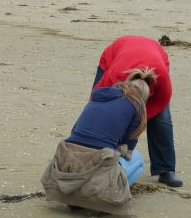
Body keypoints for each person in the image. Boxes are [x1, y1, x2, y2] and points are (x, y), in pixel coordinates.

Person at [41, 69, 155, 215]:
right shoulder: (137, 106)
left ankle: (76, 199)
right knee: (138, 161)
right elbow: (127, 149)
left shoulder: (97, 97)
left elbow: (75, 129)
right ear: (144, 96)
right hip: (101, 158)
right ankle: (103, 198)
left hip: (69, 154)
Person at [92, 35, 183, 187]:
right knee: (102, 112)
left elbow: (158, 105)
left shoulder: (162, 82)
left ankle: (166, 170)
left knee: (162, 120)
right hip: (117, 53)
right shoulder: (114, 76)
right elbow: (95, 102)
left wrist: (133, 124)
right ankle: (89, 154)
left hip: (156, 56)